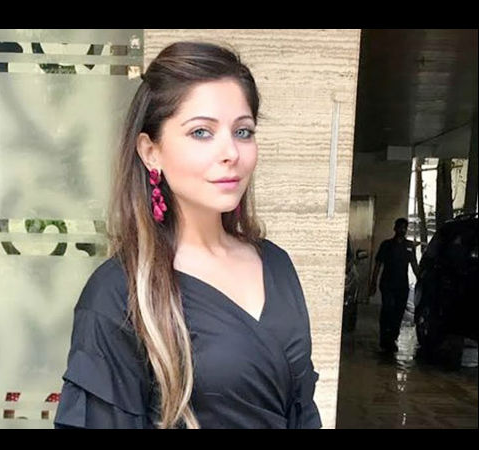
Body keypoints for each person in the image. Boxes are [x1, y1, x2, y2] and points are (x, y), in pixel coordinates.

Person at [54, 41, 322, 429]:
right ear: (151, 151)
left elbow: (303, 409)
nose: (231, 152)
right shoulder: (117, 294)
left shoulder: (275, 264)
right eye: (201, 132)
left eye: (243, 131)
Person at [369, 218, 420, 352]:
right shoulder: (386, 245)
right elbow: (378, 264)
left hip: (402, 285)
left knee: (398, 312)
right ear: (395, 228)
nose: (402, 230)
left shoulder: (409, 246)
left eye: (404, 228)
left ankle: (392, 338)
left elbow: (414, 265)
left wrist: (421, 279)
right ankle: (384, 338)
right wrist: (373, 282)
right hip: (387, 284)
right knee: (388, 310)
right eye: (400, 227)